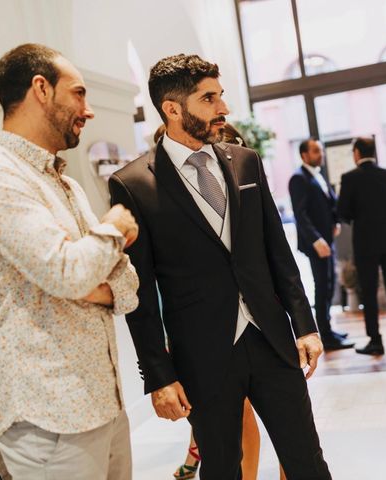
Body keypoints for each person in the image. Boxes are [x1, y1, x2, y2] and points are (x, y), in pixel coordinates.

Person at [109, 54, 331, 480]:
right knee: (222, 469)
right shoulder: (133, 183)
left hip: (272, 341)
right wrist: (159, 375)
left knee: (307, 462)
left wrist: (303, 324)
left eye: (221, 96)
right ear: (172, 109)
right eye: (208, 98)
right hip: (203, 357)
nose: (223, 108)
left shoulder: (244, 161)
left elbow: (277, 253)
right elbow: (139, 292)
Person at [0, 43, 140, 479]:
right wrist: (114, 227)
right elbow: (66, 272)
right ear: (41, 89)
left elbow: (128, 285)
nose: (88, 110)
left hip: (104, 403)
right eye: (79, 93)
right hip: (48, 416)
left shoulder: (64, 184)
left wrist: (95, 279)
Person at [169, 123, 286, 480]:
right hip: (207, 329)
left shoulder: (245, 180)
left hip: (262, 318)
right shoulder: (176, 193)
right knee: (233, 417)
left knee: (285, 420)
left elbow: (275, 255)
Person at [337, 137, 386, 356]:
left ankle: (375, 340)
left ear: (356, 152)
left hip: (366, 242)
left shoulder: (349, 178)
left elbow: (344, 214)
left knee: (369, 290)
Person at [289, 138, 354, 351]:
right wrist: (316, 240)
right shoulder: (298, 178)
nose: (321, 155)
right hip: (317, 244)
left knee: (328, 284)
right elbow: (301, 214)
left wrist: (335, 221)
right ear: (304, 155)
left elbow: (329, 203)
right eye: (316, 151)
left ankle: (328, 329)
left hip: (328, 240)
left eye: (321, 151)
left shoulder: (318, 175)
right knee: (322, 286)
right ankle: (324, 334)